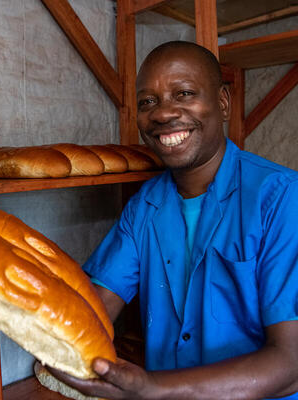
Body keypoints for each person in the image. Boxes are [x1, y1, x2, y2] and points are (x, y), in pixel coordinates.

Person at [48, 41, 298, 399]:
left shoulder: (281, 198)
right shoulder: (144, 207)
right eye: (148, 102)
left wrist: (154, 389)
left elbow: (291, 365)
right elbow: (93, 311)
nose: (163, 114)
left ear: (223, 102)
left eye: (183, 93)